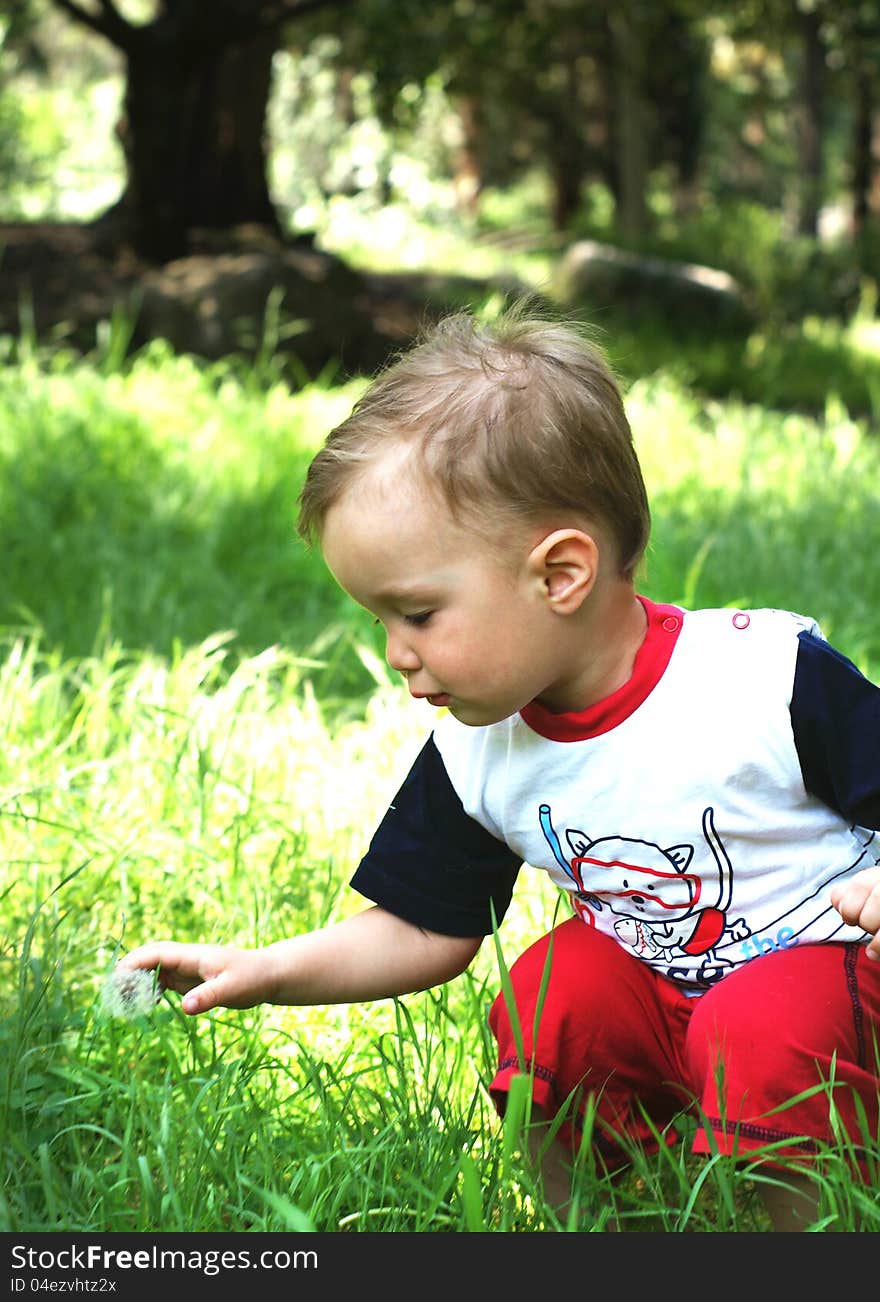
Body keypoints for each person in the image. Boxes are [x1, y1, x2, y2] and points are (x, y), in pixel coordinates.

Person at [117, 304, 880, 1232]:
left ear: (560, 574)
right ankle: (592, 1230)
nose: (397, 653)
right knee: (553, 997)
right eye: (379, 622)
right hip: (666, 1001)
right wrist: (267, 968)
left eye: (418, 614)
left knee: (754, 1022)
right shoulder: (481, 744)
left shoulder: (760, 681)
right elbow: (421, 925)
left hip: (830, 992)